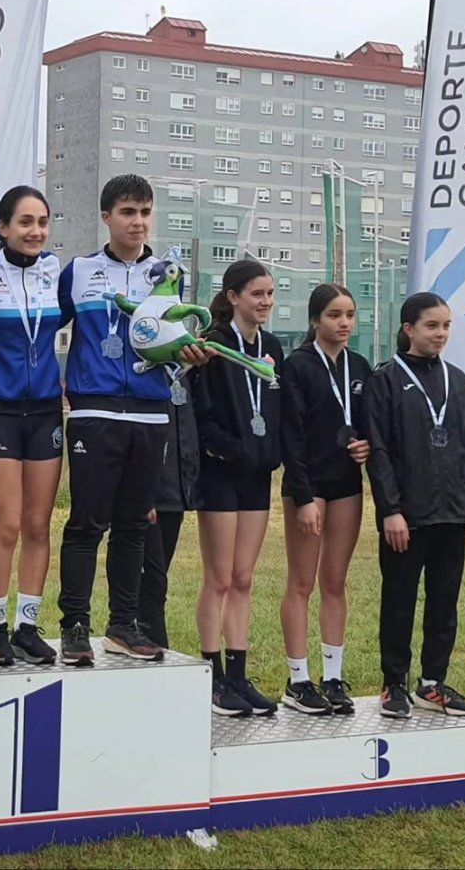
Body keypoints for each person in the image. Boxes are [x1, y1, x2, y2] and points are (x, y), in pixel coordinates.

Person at [55, 174, 211, 666]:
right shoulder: (78, 271)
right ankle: (74, 625)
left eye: (145, 212)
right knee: (86, 522)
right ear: (106, 216)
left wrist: (188, 354)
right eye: (127, 212)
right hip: (94, 412)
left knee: (133, 525)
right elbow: (42, 330)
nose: (137, 222)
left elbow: (168, 342)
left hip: (149, 413)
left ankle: (123, 624)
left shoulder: (166, 272)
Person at [365, 292, 465, 719]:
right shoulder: (386, 380)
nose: (441, 334)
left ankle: (433, 683)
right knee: (399, 599)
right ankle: (394, 683)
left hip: (452, 512)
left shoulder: (457, 380)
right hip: (408, 515)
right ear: (409, 329)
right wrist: (390, 510)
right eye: (432, 326)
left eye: (446, 326)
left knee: (444, 601)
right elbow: (378, 450)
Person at [0, 186, 67, 666]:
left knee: (38, 525)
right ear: (3, 228)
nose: (35, 231)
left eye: (42, 222)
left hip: (46, 408)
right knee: (6, 524)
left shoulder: (54, 271)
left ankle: (28, 625)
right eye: (25, 222)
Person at [193, 259, 283, 717]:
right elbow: (202, 413)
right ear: (233, 298)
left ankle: (239, 674)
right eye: (256, 294)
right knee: (221, 577)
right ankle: (212, 678)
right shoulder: (213, 346)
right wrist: (229, 450)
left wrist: (271, 452)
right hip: (221, 471)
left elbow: (277, 407)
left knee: (245, 578)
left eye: (270, 293)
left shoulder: (273, 346)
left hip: (257, 474)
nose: (265, 302)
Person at [278, 284, 371, 715]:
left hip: (347, 484)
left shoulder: (360, 366)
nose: (345, 323)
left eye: (350, 314)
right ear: (316, 320)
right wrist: (302, 495)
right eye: (335, 315)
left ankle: (333, 677)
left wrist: (365, 447)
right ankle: (298, 681)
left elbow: (369, 425)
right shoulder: (297, 365)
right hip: (308, 485)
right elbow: (291, 435)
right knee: (303, 582)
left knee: (335, 582)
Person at [136, 374, 201, 650]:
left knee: (159, 572)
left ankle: (149, 635)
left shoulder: (185, 372)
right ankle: (147, 637)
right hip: (148, 492)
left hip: (177, 491)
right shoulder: (145, 368)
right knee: (152, 577)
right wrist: (144, 492)